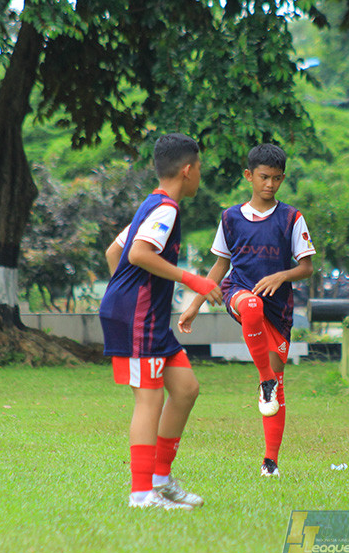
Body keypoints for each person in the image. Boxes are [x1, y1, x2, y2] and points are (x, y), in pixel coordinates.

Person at [99, 133, 223, 510]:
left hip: (143, 317)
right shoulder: (164, 209)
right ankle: (141, 494)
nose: (200, 174)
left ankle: (161, 479)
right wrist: (193, 280)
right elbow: (137, 254)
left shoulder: (153, 205)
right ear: (187, 171)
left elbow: (114, 252)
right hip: (136, 318)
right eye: (199, 167)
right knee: (149, 399)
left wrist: (125, 294)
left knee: (185, 388)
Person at [178, 143, 315, 478]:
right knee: (251, 306)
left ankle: (270, 462)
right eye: (264, 177)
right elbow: (220, 265)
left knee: (279, 384)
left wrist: (281, 275)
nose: (270, 184)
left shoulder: (292, 218)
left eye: (277, 179)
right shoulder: (231, 218)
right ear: (249, 176)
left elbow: (307, 267)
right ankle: (263, 380)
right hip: (240, 293)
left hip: (279, 308)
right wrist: (194, 304)